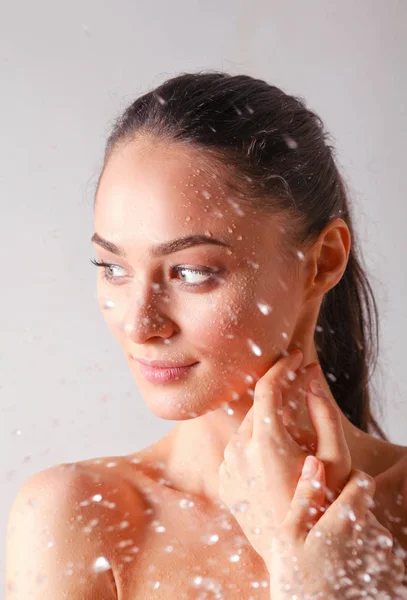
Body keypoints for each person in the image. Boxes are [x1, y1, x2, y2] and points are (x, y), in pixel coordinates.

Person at [6, 71, 407, 599]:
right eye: (112, 268)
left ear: (322, 261)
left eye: (191, 272)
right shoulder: (77, 517)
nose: (139, 323)